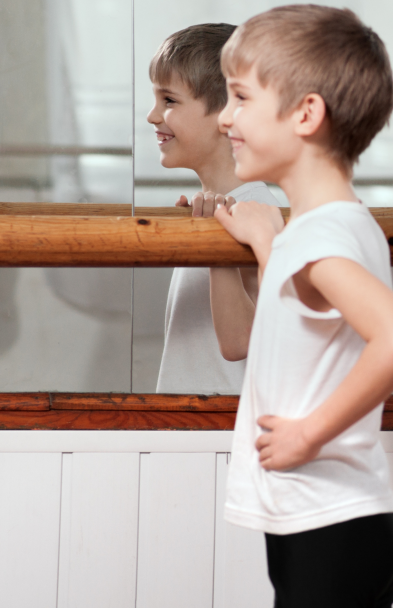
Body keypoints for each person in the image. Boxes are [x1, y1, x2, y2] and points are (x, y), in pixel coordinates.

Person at [212, 6, 393, 607]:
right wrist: (265, 243)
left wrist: (309, 434)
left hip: (329, 526)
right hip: (329, 525)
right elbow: (302, 329)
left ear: (306, 113)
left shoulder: (318, 241)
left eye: (239, 97)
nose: (225, 117)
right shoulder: (329, 228)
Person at [146, 23, 281, 394]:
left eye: (169, 101)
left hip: (217, 434)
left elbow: (241, 341)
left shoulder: (256, 210)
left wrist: (214, 248)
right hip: (186, 431)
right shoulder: (218, 209)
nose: (152, 116)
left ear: (228, 114)